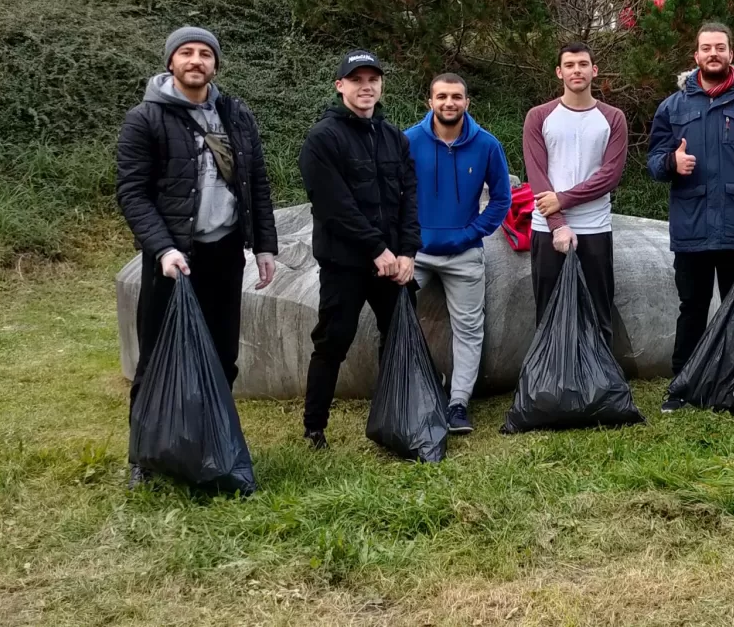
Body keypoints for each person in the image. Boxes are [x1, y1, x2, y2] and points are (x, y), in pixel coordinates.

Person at [116, 26, 278, 488]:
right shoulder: (145, 119)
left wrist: (264, 246)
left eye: (205, 54)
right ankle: (146, 455)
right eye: (186, 52)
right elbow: (132, 193)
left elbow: (257, 183)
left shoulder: (235, 114)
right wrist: (163, 248)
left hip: (224, 252)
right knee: (157, 355)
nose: (196, 60)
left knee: (223, 354)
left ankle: (209, 442)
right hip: (172, 258)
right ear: (170, 62)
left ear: (215, 65)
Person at [647, 22, 734, 412]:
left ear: (731, 54)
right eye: (706, 48)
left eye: (720, 47)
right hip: (691, 227)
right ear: (696, 55)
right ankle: (682, 386)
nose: (713, 53)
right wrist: (671, 163)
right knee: (692, 308)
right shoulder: (673, 107)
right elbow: (653, 162)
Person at [298, 49, 420, 449]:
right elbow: (334, 206)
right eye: (356, 80)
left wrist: (407, 252)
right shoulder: (322, 138)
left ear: (381, 86)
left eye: (373, 80)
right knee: (333, 342)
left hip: (394, 263)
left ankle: (396, 414)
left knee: (399, 336)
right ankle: (314, 428)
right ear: (340, 86)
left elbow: (409, 198)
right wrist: (376, 249)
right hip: (345, 263)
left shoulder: (394, 138)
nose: (366, 87)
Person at [404, 73, 512, 434]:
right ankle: (409, 392)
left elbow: (501, 200)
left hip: (464, 254)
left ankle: (458, 404)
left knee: (469, 328)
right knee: (394, 317)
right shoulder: (408, 141)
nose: (449, 102)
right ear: (430, 102)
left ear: (467, 102)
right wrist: (407, 238)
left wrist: (471, 233)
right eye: (442, 96)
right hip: (415, 254)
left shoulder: (487, 145)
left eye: (456, 96)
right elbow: (392, 193)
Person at [523, 41, 628, 345]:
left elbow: (609, 176)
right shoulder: (539, 116)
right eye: (569, 65)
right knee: (549, 314)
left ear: (594, 70)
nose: (576, 70)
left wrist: (563, 199)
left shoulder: (613, 118)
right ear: (559, 72)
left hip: (594, 226)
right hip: (547, 228)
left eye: (583, 64)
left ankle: (600, 374)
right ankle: (550, 374)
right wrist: (558, 223)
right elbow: (537, 175)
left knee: (598, 314)